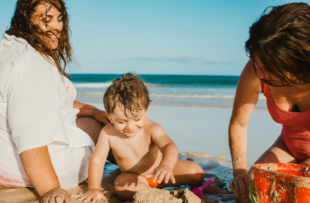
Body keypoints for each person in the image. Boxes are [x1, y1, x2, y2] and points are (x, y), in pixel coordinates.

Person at [0, 1, 113, 202]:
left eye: (59, 19)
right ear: (25, 18)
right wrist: (50, 188)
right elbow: (29, 131)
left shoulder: (10, 47)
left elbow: (55, 103)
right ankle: (144, 165)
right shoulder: (31, 60)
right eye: (46, 19)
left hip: (7, 156)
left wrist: (92, 110)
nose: (57, 26)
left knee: (91, 121)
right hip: (26, 165)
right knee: (107, 131)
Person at [75, 73, 218, 202]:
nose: (130, 126)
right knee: (122, 188)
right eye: (121, 121)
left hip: (162, 172)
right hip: (134, 176)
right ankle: (156, 195)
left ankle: (199, 187)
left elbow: (169, 145)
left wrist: (166, 166)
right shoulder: (108, 132)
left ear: (146, 110)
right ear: (110, 115)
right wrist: (94, 188)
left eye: (136, 119)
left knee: (196, 171)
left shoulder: (152, 128)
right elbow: (98, 161)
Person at [228, 3, 310, 203]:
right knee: (249, 195)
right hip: (287, 147)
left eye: (271, 68)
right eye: (257, 62)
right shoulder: (255, 71)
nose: (260, 74)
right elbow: (239, 125)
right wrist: (239, 172)